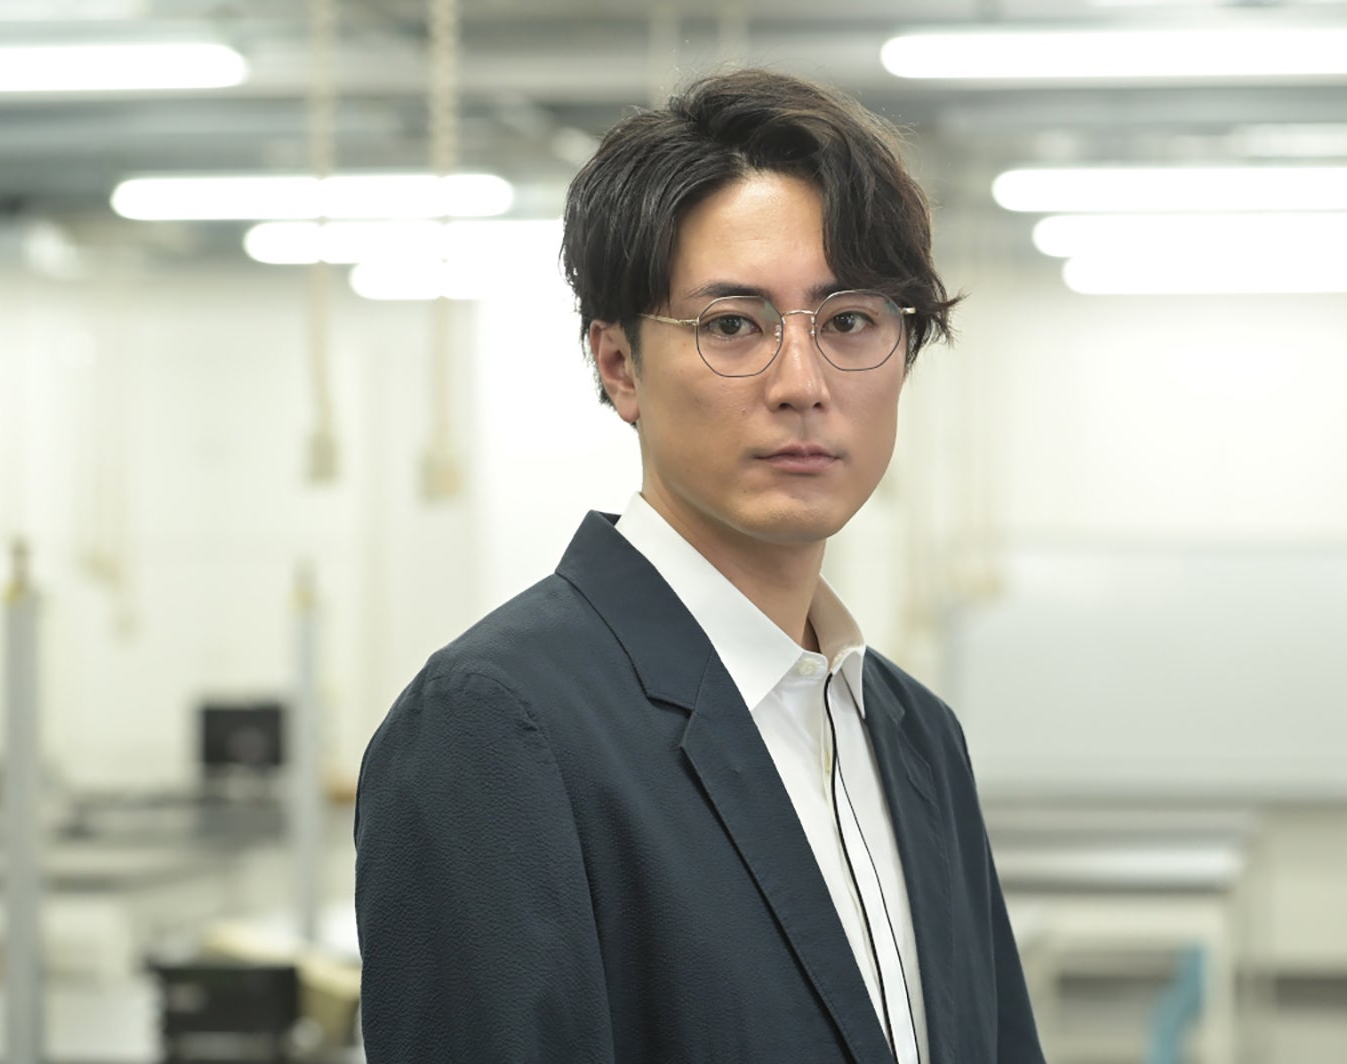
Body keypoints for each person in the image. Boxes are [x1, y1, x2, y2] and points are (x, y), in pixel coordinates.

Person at [354, 67, 1045, 1064]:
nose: (802, 383)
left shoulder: (914, 734)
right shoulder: (496, 726)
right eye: (733, 325)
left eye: (850, 321)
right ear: (618, 365)